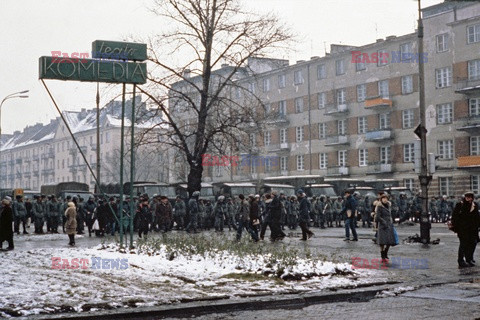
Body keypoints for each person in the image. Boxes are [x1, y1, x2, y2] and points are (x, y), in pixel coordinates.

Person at [451, 191, 480, 268]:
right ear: (465, 197)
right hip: (463, 229)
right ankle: (460, 261)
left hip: (473, 229)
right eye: (467, 197)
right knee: (463, 245)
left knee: (472, 244)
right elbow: (454, 216)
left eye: (470, 197)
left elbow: (477, 217)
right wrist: (457, 227)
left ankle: (469, 259)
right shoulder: (460, 205)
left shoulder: (474, 205)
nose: (469, 199)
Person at [374, 193, 397, 261]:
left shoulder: (388, 206)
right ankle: (382, 254)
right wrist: (383, 222)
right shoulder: (379, 206)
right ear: (381, 199)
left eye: (386, 198)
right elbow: (377, 217)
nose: (385, 200)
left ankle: (385, 253)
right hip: (382, 226)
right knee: (382, 242)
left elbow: (390, 215)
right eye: (383, 198)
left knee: (389, 241)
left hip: (389, 225)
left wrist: (391, 221)